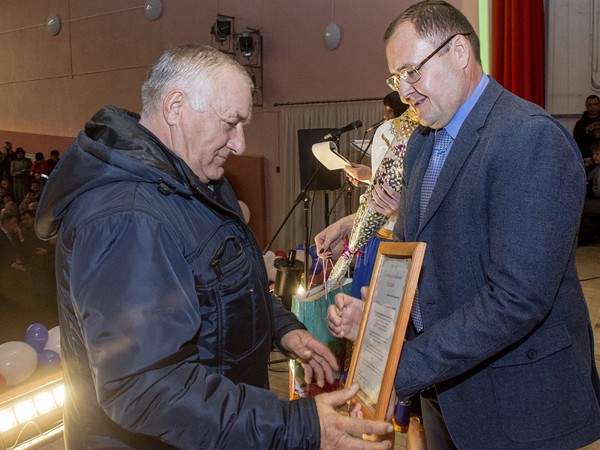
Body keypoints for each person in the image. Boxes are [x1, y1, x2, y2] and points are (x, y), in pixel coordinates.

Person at [35, 44, 393, 449]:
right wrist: (299, 426)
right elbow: (148, 388)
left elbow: (228, 285)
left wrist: (285, 330)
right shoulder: (126, 217)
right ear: (175, 107)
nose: (239, 144)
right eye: (230, 123)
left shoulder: (200, 177)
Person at [332, 1, 600, 448]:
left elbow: (519, 297)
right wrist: (381, 315)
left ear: (459, 51)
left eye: (412, 71)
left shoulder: (528, 137)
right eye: (396, 78)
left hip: (517, 404)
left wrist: (408, 365)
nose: (404, 92)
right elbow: (414, 258)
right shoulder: (419, 144)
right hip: (446, 395)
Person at [573, 94, 600, 167]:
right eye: (590, 105)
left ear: (599, 105)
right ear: (586, 106)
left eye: (595, 104)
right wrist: (584, 158)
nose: (592, 107)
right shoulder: (580, 124)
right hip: (589, 161)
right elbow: (577, 144)